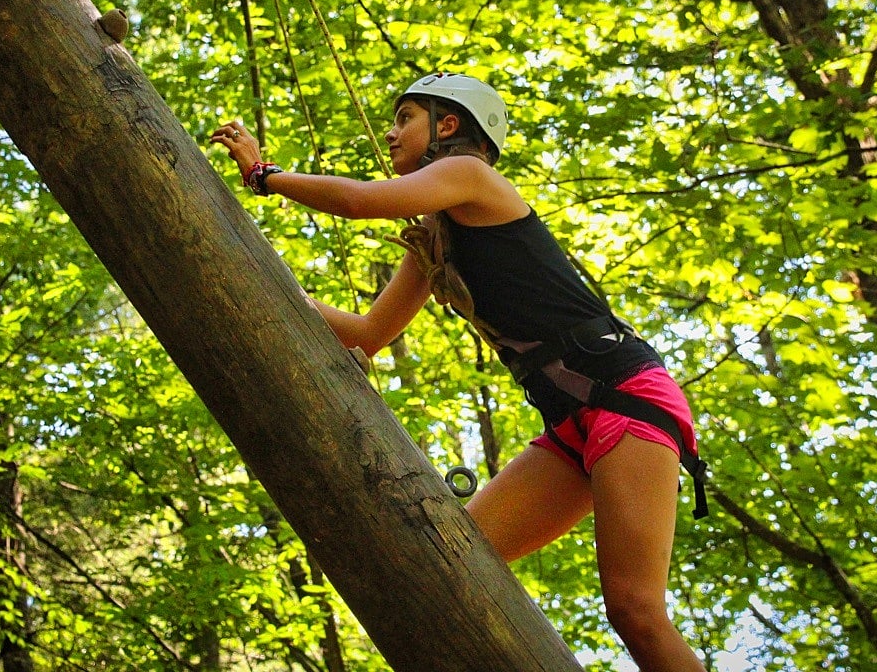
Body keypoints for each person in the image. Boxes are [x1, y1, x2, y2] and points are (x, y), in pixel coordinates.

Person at [210, 72, 707, 672]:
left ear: (447, 126)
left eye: (405, 119)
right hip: (571, 423)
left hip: (627, 397)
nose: (391, 135)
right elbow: (372, 333)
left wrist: (263, 175)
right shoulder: (440, 240)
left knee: (634, 608)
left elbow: (357, 201)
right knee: (449, 566)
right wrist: (269, 283)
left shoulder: (472, 177)